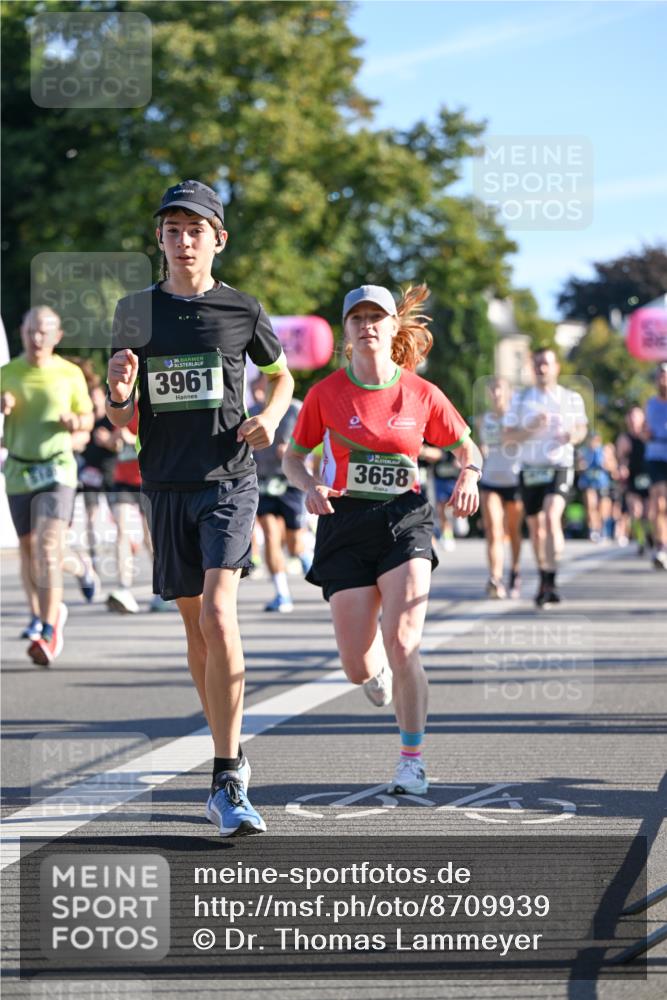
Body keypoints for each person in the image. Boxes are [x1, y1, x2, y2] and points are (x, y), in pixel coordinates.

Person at [106, 180, 294, 835]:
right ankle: (227, 753)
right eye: (172, 230)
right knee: (195, 629)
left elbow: (282, 375)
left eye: (196, 230)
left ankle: (226, 774)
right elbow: (121, 415)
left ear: (218, 239)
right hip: (165, 483)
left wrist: (272, 415)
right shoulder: (134, 311)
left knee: (218, 611)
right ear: (159, 240)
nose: (184, 241)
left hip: (228, 480)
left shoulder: (242, 309)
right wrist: (119, 392)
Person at [283, 284, 481, 795]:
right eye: (358, 318)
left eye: (377, 317)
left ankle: (412, 760)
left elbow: (467, 449)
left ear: (394, 327)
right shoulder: (326, 394)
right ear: (346, 331)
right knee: (356, 666)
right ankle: (375, 675)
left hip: (404, 519)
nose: (367, 325)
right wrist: (310, 486)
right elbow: (293, 458)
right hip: (344, 522)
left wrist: (469, 476)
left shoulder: (421, 392)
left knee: (404, 642)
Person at [0, 306, 94, 663]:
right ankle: (39, 616)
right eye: (30, 331)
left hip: (57, 468)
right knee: (28, 549)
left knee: (47, 545)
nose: (36, 338)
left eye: (44, 332)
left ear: (57, 336)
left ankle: (51, 629)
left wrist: (75, 421)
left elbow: (88, 418)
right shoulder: (7, 373)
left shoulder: (69, 374)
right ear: (21, 332)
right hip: (19, 469)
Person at [503, 347, 588, 607]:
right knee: (536, 529)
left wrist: (572, 436)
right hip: (530, 468)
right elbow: (507, 437)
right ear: (532, 368)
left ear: (556, 367)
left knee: (551, 517)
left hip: (559, 465)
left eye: (546, 363)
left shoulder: (570, 398)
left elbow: (582, 429)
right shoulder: (520, 399)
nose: (542, 368)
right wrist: (530, 428)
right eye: (538, 364)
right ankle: (543, 576)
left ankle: (551, 579)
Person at [248, 373, 312, 613]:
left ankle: (305, 558)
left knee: (294, 544)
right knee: (270, 534)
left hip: (291, 481)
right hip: (264, 481)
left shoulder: (296, 408)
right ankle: (282, 594)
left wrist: (294, 450)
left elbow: (314, 439)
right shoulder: (252, 411)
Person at [476, 375, 523, 598]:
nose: (496, 394)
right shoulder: (483, 420)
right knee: (493, 529)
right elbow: (481, 447)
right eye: (492, 390)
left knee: (513, 531)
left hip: (514, 480)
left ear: (509, 393)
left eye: (500, 389)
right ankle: (495, 578)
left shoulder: (518, 419)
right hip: (490, 480)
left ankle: (515, 571)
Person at [616, 405, 652, 553]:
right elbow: (621, 458)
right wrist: (622, 468)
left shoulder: (649, 434)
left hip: (650, 476)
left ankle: (650, 534)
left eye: (636, 416)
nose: (633, 419)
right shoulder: (624, 438)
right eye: (630, 416)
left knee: (649, 512)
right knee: (635, 511)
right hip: (632, 478)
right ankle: (641, 540)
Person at [644, 361, 667, 569]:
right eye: (660, 374)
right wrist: (646, 434)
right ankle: (661, 546)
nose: (663, 378)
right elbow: (644, 430)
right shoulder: (650, 404)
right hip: (656, 456)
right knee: (659, 503)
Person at [577, 431, 613, 543]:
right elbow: (578, 467)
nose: (593, 443)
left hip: (602, 483)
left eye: (596, 440)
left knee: (602, 508)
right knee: (590, 505)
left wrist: (606, 463)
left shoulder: (604, 451)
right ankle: (593, 530)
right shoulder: (583, 451)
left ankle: (603, 529)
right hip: (588, 482)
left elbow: (612, 466)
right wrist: (581, 465)